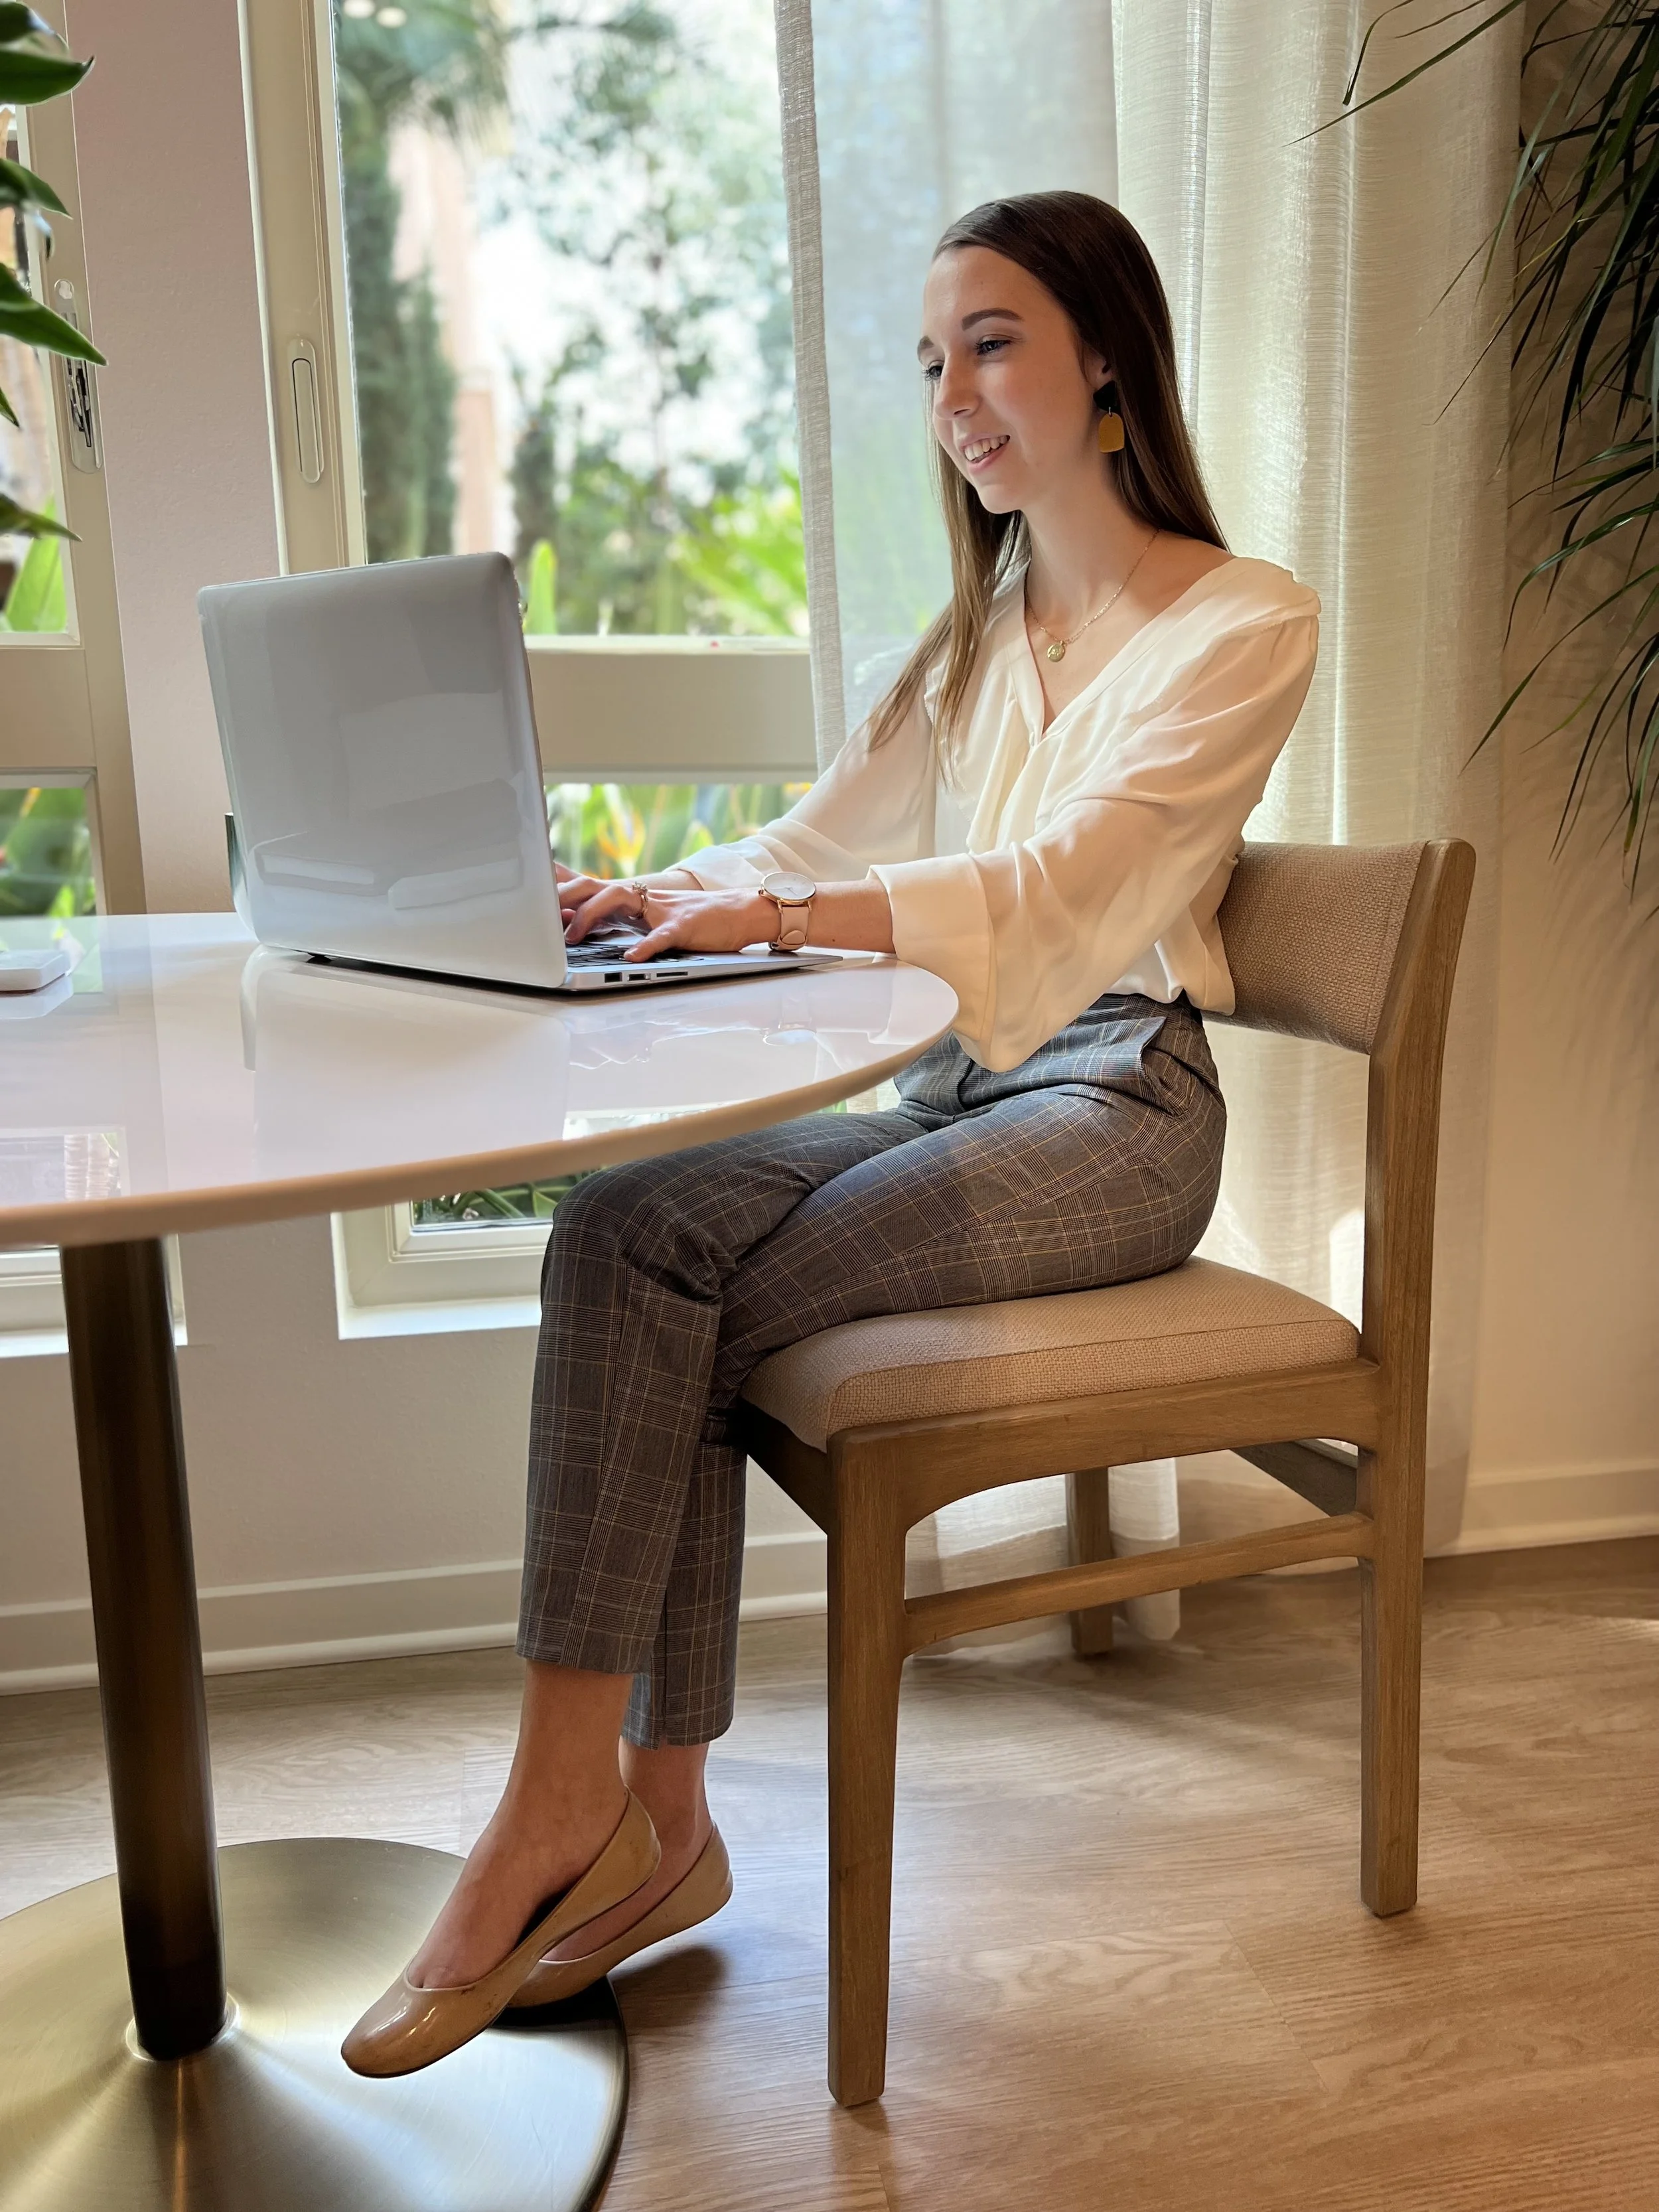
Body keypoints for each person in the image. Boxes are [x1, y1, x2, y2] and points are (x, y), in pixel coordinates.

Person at [344, 187, 1319, 2077]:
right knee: (629, 1223)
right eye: (931, 360)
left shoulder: (1242, 621)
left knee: (678, 1278)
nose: (955, 393)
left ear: (1106, 352)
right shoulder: (974, 637)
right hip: (961, 1091)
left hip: (1118, 1114)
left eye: (995, 341)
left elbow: (1074, 876)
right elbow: (810, 844)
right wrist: (640, 896)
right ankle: (636, 1806)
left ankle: (592, 1821)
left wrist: (779, 921)